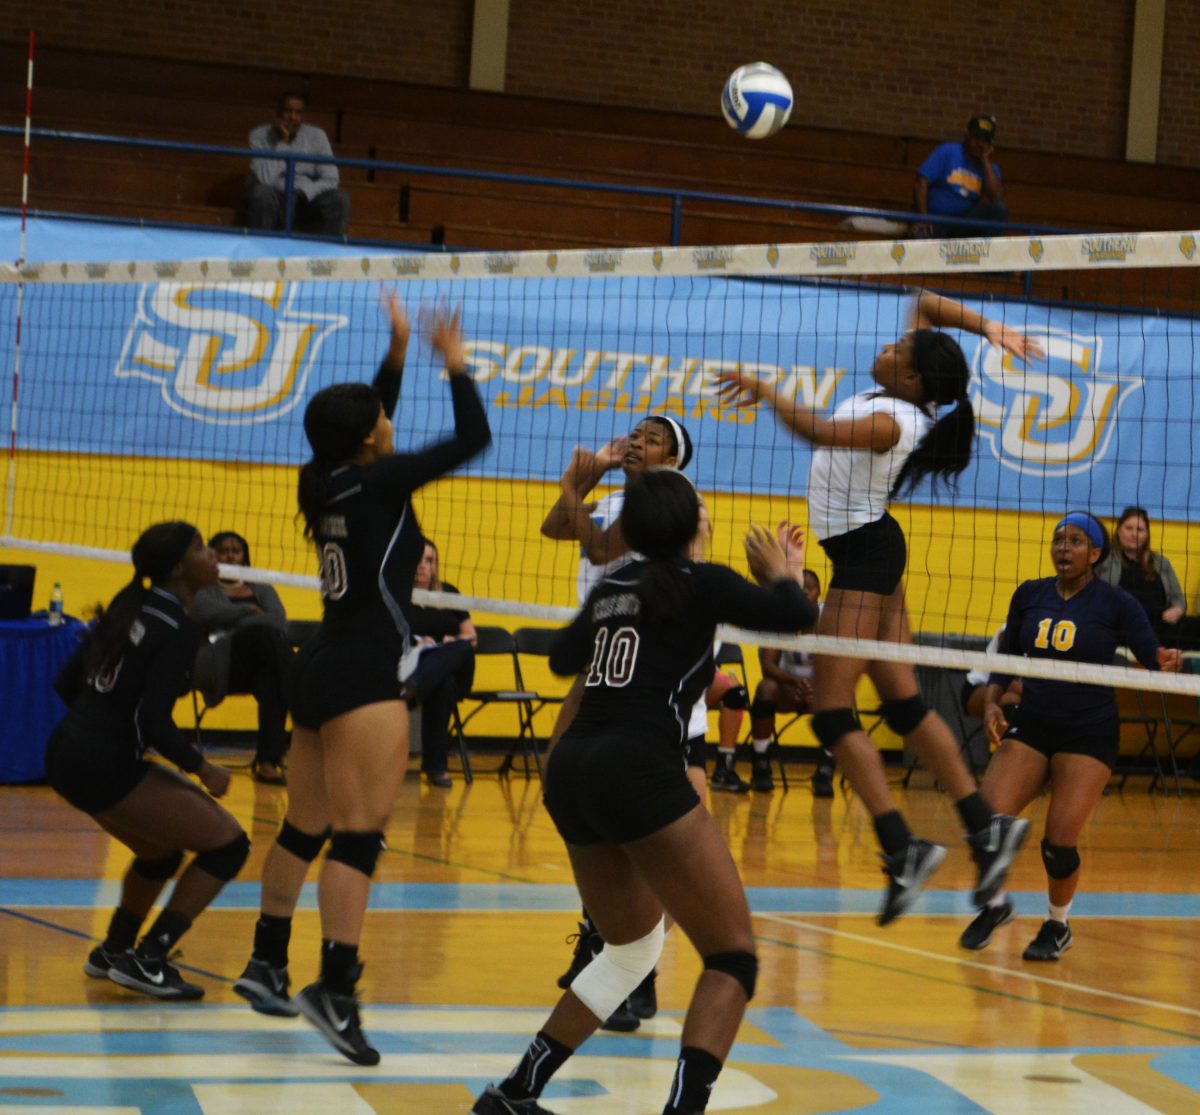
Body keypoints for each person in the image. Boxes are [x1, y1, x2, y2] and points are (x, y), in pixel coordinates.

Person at [471, 468, 818, 1115]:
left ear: (629, 527)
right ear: (693, 528)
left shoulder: (614, 585)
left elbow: (559, 659)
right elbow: (797, 614)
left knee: (631, 948)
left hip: (573, 768)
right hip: (638, 766)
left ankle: (515, 1093)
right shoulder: (702, 583)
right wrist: (784, 566)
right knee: (732, 957)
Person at [716, 290, 1043, 925]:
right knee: (904, 705)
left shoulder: (896, 421)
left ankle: (904, 847)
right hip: (870, 553)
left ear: (915, 378)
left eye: (898, 350)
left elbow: (816, 428)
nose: (887, 347)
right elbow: (923, 299)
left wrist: (764, 387)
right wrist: (990, 327)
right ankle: (984, 832)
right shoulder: (901, 398)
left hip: (865, 558)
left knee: (832, 715)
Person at [232, 296, 490, 1065]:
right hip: (367, 674)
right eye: (381, 419)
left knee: (303, 828)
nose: (389, 423)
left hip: (320, 669)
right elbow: (474, 436)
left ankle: (265, 961)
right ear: (370, 437)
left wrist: (398, 349)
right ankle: (335, 989)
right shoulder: (380, 484)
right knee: (359, 839)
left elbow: (365, 425)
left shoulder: (321, 482)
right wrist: (453, 360)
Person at [961, 512, 1180, 959]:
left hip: (1088, 730)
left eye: (1076, 541)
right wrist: (991, 702)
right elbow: (1007, 659)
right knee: (984, 820)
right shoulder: (1030, 594)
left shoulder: (1115, 603)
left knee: (1058, 842)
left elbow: (1149, 654)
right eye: (1059, 539)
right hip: (1035, 721)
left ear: (1095, 554)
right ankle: (998, 906)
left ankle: (1057, 926)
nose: (1064, 548)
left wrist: (1164, 659)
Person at [46, 522, 250, 1000]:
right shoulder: (177, 630)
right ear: (180, 568)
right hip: (101, 762)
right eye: (202, 549)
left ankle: (115, 950)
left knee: (160, 852)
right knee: (229, 845)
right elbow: (155, 722)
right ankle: (150, 955)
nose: (212, 556)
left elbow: (65, 682)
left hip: (66, 750)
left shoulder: (128, 601)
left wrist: (101, 719)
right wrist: (203, 768)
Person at [542, 414, 694, 1032]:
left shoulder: (677, 508)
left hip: (653, 682)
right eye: (633, 433)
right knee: (572, 797)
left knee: (645, 834)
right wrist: (582, 488)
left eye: (652, 438)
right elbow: (556, 527)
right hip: (602, 665)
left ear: (675, 460)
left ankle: (641, 974)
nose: (635, 441)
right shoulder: (611, 498)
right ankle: (600, 937)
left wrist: (576, 488)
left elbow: (599, 548)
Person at [190, 530, 292, 785]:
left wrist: (234, 619)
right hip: (219, 666)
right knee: (262, 637)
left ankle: (267, 762)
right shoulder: (203, 587)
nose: (231, 555)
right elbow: (202, 611)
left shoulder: (261, 587)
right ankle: (299, 684)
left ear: (244, 556)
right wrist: (248, 610)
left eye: (236, 551)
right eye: (224, 551)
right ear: (213, 555)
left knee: (271, 681)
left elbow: (279, 620)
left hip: (257, 666)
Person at [745, 565, 831, 796]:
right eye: (799, 589)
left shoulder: (829, 619)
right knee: (765, 688)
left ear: (819, 593)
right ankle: (761, 764)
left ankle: (826, 770)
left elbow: (838, 667)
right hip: (787, 689)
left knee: (839, 696)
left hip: (820, 691)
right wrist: (795, 684)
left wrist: (814, 687)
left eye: (809, 589)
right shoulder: (781, 616)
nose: (803, 593)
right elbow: (768, 666)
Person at [406, 537, 477, 788]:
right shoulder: (399, 595)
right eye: (417, 559)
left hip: (454, 669)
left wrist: (449, 641)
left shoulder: (449, 593)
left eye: (428, 560)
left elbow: (471, 637)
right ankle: (436, 768)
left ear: (436, 565)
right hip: (415, 663)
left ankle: (416, 686)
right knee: (442, 684)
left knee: (461, 646)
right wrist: (415, 643)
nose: (422, 566)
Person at [244, 92, 350, 236]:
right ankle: (260, 249)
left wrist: (302, 193)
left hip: (306, 198)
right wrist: (283, 142)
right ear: (278, 112)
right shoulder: (258, 135)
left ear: (304, 116)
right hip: (275, 195)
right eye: (288, 111)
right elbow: (265, 179)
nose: (293, 117)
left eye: (298, 113)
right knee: (261, 193)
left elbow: (331, 178)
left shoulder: (317, 136)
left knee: (339, 199)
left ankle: (328, 253)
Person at [1095, 506, 1200, 651]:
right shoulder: (1104, 560)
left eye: (1140, 530)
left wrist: (1177, 610)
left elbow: (1179, 601)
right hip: (1122, 624)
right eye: (1129, 528)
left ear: (1146, 534)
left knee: (1194, 627)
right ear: (1119, 531)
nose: (1134, 534)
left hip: (1160, 625)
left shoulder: (1161, 562)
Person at [912, 113, 1007, 237]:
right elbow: (921, 183)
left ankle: (987, 254)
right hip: (934, 220)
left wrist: (985, 159)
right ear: (966, 136)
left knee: (1000, 209)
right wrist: (923, 218)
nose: (980, 144)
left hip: (963, 224)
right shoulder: (947, 151)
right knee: (921, 234)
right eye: (977, 138)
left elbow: (997, 198)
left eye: (985, 140)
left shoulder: (990, 168)